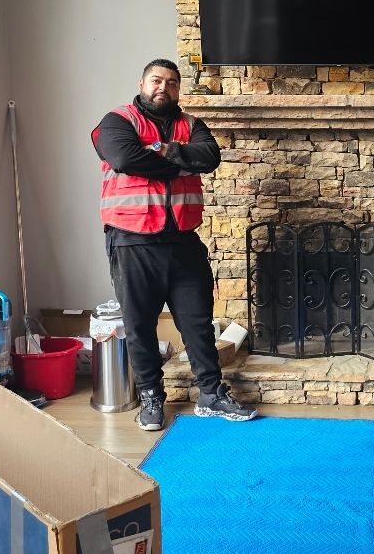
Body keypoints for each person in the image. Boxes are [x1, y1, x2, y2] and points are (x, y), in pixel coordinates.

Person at [92, 59, 257, 431]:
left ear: (179, 89)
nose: (162, 87)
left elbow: (209, 157)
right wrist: (180, 161)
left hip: (184, 242)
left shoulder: (192, 125)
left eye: (171, 82)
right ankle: (151, 397)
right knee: (140, 326)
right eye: (155, 80)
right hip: (132, 242)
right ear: (142, 83)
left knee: (198, 325)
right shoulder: (117, 121)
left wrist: (156, 151)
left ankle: (211, 394)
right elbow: (123, 156)